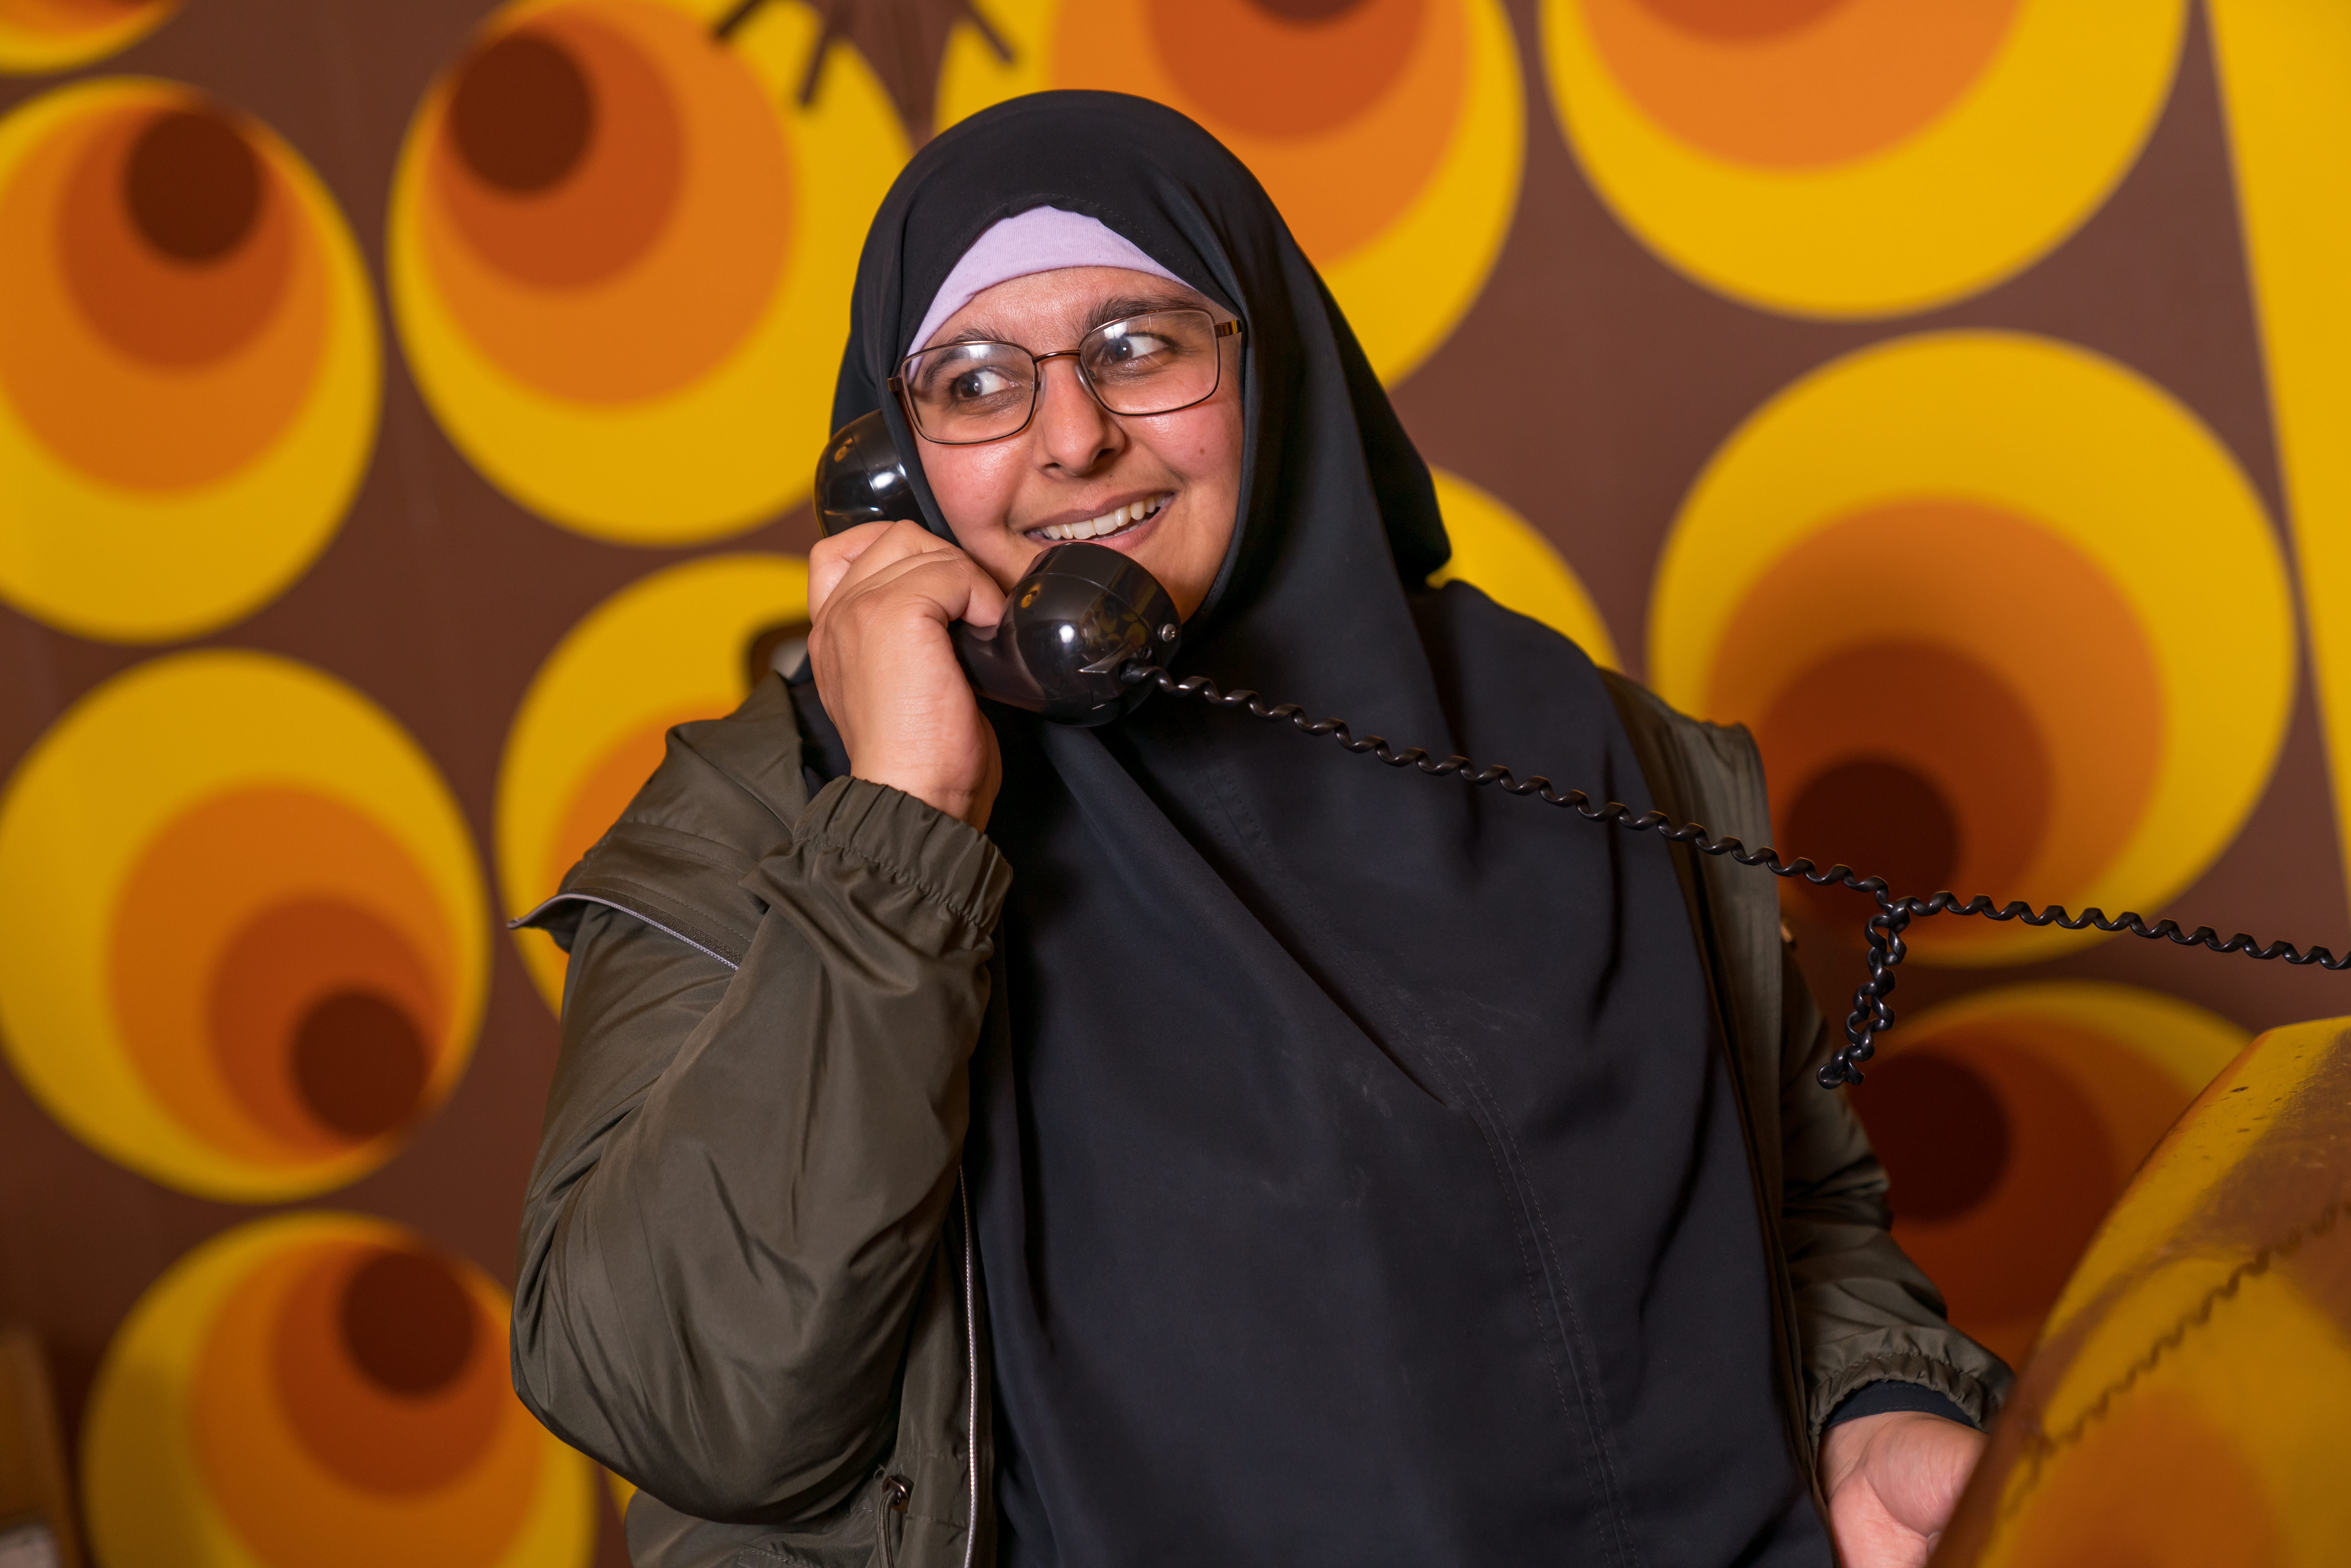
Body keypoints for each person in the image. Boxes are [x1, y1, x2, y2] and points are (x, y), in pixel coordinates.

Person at [511, 91, 2010, 1568]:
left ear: (1269, 362)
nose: (1073, 439)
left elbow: (1798, 1211)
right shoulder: (764, 827)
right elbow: (685, 1405)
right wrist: (903, 820)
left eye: (1138, 346)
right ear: (892, 464)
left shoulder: (1585, 742)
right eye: (974, 382)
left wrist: (1873, 1408)